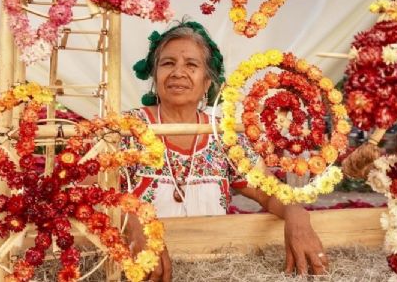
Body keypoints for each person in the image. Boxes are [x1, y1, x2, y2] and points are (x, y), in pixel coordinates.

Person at [123, 21, 328, 281]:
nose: (178, 72)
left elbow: (268, 192)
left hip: (212, 270)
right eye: (167, 63)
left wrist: (296, 214)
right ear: (154, 75)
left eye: (191, 65)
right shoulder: (127, 130)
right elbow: (83, 192)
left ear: (208, 81)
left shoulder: (224, 136)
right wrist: (130, 220)